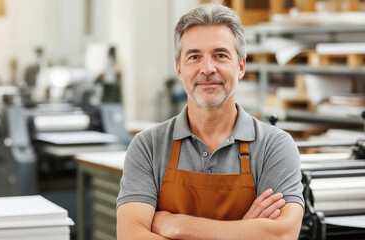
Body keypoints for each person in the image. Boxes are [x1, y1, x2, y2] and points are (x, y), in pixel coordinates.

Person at [117, 3, 304, 240]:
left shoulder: (274, 146)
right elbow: (130, 235)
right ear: (179, 69)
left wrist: (178, 226)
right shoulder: (148, 147)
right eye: (194, 56)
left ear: (241, 67)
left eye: (220, 55)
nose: (207, 68)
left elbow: (282, 235)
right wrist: (244, 232)